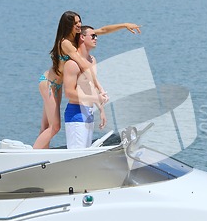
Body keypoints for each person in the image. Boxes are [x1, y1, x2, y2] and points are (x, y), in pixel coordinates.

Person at [33, 11, 141, 149]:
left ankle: (41, 154)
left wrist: (124, 25)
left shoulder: (79, 36)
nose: (79, 24)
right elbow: (83, 64)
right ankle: (32, 159)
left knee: (46, 126)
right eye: (76, 23)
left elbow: (102, 30)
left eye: (79, 21)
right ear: (68, 25)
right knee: (54, 127)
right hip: (49, 84)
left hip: (57, 85)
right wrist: (99, 87)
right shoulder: (65, 42)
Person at [63, 25, 106, 148]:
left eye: (96, 36)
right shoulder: (72, 64)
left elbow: (91, 86)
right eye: (93, 36)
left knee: (85, 154)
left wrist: (101, 110)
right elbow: (69, 93)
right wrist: (96, 99)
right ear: (82, 37)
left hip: (89, 113)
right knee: (77, 157)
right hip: (76, 113)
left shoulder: (92, 60)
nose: (96, 38)